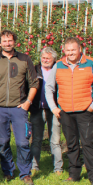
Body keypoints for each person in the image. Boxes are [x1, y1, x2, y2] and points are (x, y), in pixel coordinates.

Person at [45, 37, 93, 185]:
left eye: (74, 50)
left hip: (84, 110)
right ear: (64, 51)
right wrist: (54, 107)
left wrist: (92, 107)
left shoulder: (91, 64)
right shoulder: (58, 65)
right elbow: (49, 87)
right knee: (71, 144)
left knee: (88, 145)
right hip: (65, 111)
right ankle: (74, 174)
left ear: (80, 50)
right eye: (68, 50)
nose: (71, 53)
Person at [0, 30, 38, 185]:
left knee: (23, 142)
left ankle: (25, 173)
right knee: (3, 141)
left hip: (18, 108)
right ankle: (8, 170)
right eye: (4, 41)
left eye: (10, 41)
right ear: (0, 43)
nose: (7, 43)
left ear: (15, 42)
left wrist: (27, 102)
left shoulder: (24, 59)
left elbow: (34, 83)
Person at [30, 47, 64, 176]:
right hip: (38, 109)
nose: (45, 60)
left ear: (54, 59)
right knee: (36, 139)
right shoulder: (34, 70)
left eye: (48, 58)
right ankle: (34, 166)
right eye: (43, 58)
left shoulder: (59, 70)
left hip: (54, 109)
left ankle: (58, 168)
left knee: (55, 139)